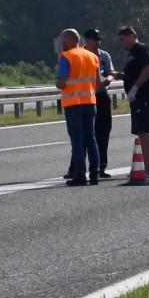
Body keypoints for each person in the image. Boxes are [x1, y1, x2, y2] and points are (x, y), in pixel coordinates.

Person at [57, 28, 101, 185]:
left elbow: (62, 82)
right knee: (91, 139)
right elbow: (98, 83)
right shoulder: (92, 56)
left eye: (63, 41)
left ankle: (80, 175)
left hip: (73, 104)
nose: (61, 44)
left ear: (68, 40)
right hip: (90, 101)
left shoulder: (66, 56)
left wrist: (59, 83)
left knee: (77, 141)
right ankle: (95, 175)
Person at [118, 25, 149, 179]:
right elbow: (133, 72)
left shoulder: (141, 49)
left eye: (123, 39)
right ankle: (147, 165)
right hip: (138, 97)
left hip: (145, 95)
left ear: (132, 35)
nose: (122, 43)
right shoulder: (132, 53)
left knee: (144, 131)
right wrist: (121, 76)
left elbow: (148, 68)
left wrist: (135, 87)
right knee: (141, 132)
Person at [83, 28, 115, 177]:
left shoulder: (104, 55)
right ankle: (77, 167)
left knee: (103, 131)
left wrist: (108, 79)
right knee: (84, 134)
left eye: (99, 40)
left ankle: (101, 166)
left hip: (102, 95)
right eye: (95, 40)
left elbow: (110, 73)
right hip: (86, 97)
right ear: (87, 41)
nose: (98, 43)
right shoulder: (80, 56)